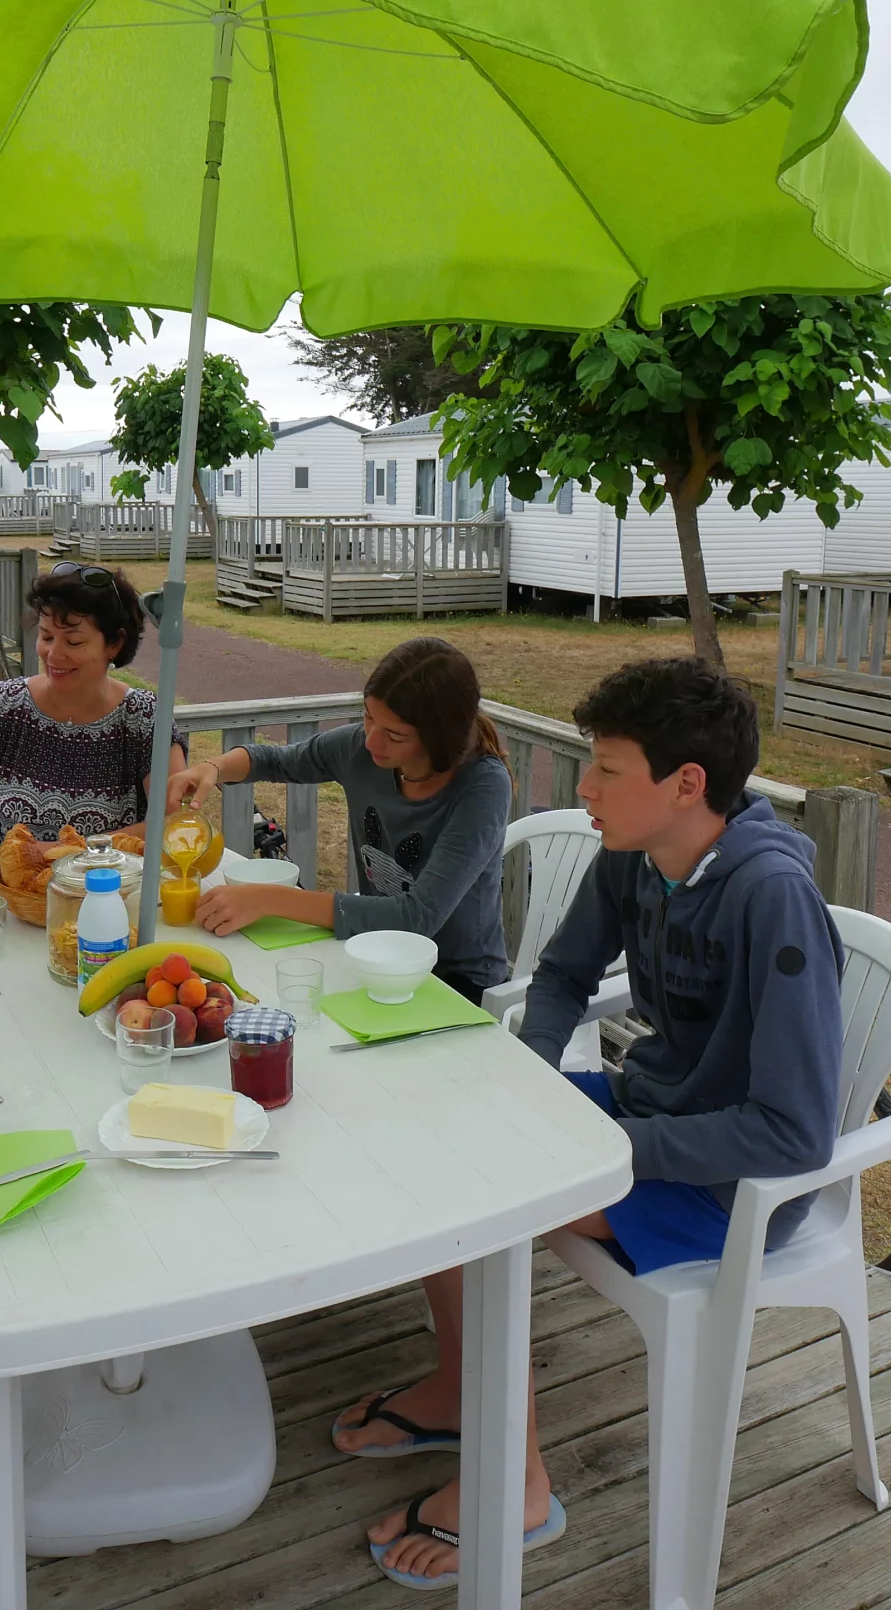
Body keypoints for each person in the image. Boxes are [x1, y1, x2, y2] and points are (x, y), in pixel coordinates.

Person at [335, 656, 845, 1588]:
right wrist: (529, 1088)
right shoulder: (637, 856)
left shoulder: (771, 896)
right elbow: (565, 976)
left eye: (607, 769)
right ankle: (459, 1389)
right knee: (426, 1135)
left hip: (731, 1186)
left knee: (477, 1202)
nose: (585, 788)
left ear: (686, 784)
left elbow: (795, 1135)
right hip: (646, 1116)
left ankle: (517, 1488)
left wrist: (602, 1149)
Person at [172, 635, 513, 999]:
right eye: (368, 716)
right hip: (372, 957)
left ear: (440, 740)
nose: (370, 742)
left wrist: (267, 899)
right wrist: (213, 767)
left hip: (457, 984)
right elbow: (275, 760)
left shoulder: (483, 786)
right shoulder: (361, 749)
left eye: (394, 736)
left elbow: (416, 917)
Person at [0, 561, 185, 842]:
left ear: (114, 644)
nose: (53, 654)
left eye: (73, 642)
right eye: (46, 636)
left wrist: (66, 854)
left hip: (103, 884)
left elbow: (173, 823)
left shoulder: (145, 719)